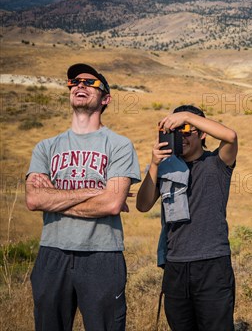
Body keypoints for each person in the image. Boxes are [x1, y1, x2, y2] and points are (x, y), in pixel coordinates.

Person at [25, 63, 141, 330]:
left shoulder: (119, 145)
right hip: (52, 252)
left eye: (90, 83)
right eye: (75, 82)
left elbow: (112, 204)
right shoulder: (46, 147)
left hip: (102, 255)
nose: (80, 85)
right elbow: (33, 199)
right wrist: (95, 191)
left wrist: (53, 196)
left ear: (105, 98)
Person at [136, 105, 238, 331]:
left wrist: (186, 116)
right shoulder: (166, 168)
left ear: (202, 134)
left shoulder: (217, 163)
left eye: (187, 130)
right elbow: (142, 205)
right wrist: (154, 164)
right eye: (175, 131)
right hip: (176, 265)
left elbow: (230, 136)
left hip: (212, 264)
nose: (180, 136)